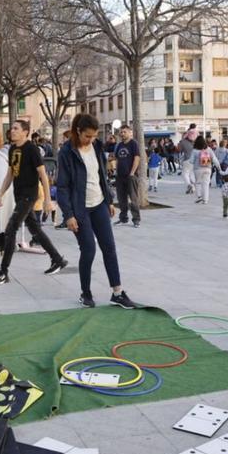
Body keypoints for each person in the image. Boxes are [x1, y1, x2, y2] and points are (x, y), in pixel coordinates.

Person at [56, 113, 136, 309]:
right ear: (78, 131)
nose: (91, 139)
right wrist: (68, 215)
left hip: (99, 204)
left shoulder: (97, 146)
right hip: (80, 209)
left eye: (93, 136)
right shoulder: (67, 152)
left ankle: (117, 293)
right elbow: (63, 187)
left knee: (109, 247)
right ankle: (86, 292)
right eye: (87, 136)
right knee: (89, 250)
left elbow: (101, 174)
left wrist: (109, 200)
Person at [0, 120, 67, 285]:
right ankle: (57, 259)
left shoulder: (31, 149)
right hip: (18, 194)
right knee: (34, 229)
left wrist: (47, 199)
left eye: (16, 128)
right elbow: (11, 173)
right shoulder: (12, 149)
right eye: (12, 128)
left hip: (29, 195)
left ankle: (3, 271)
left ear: (25, 132)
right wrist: (0, 193)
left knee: (11, 229)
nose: (12, 131)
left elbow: (43, 175)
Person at [113, 125, 141, 227]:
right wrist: (116, 171)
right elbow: (117, 159)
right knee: (121, 199)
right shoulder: (119, 145)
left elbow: (137, 158)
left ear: (130, 132)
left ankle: (136, 219)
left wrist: (132, 172)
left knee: (133, 199)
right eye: (121, 132)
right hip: (120, 176)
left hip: (130, 176)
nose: (122, 134)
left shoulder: (133, 144)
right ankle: (123, 218)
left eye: (124, 132)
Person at [192, 136, 219, 204]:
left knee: (198, 183)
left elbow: (191, 160)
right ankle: (205, 200)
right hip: (207, 168)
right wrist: (219, 167)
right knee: (206, 184)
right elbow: (214, 159)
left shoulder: (194, 150)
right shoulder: (209, 149)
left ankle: (199, 196)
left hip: (198, 169)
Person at [179, 128, 197, 194]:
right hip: (194, 160)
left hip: (187, 159)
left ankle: (189, 185)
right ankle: (194, 187)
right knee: (191, 173)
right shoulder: (194, 141)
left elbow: (179, 150)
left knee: (185, 173)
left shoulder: (183, 142)